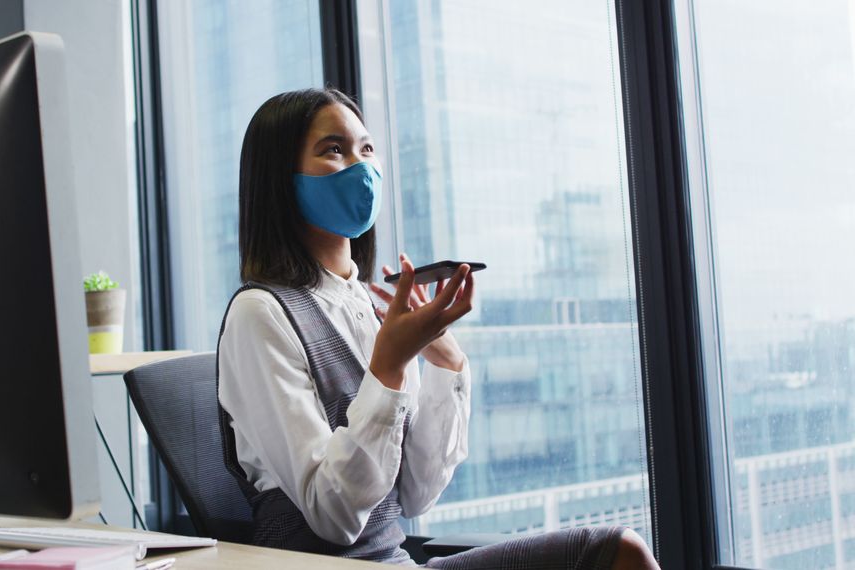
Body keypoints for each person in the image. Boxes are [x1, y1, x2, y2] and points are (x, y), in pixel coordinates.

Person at [216, 87, 660, 569]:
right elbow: (334, 516)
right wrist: (389, 365)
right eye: (333, 150)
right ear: (280, 179)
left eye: (366, 149)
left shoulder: (369, 305)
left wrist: (445, 361)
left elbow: (413, 496)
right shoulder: (259, 315)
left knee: (620, 551)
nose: (361, 167)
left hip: (399, 562)